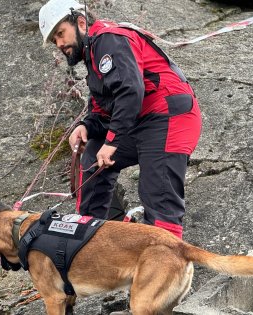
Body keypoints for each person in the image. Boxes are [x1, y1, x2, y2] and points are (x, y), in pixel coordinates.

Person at [39, 0, 202, 239]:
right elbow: (103, 110)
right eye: (55, 40)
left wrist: (112, 142)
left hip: (169, 117)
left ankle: (162, 269)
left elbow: (130, 91)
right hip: (141, 122)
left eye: (61, 34)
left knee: (158, 197)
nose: (60, 44)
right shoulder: (94, 57)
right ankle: (89, 239)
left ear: (81, 22)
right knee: (93, 156)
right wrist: (85, 126)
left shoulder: (109, 39)